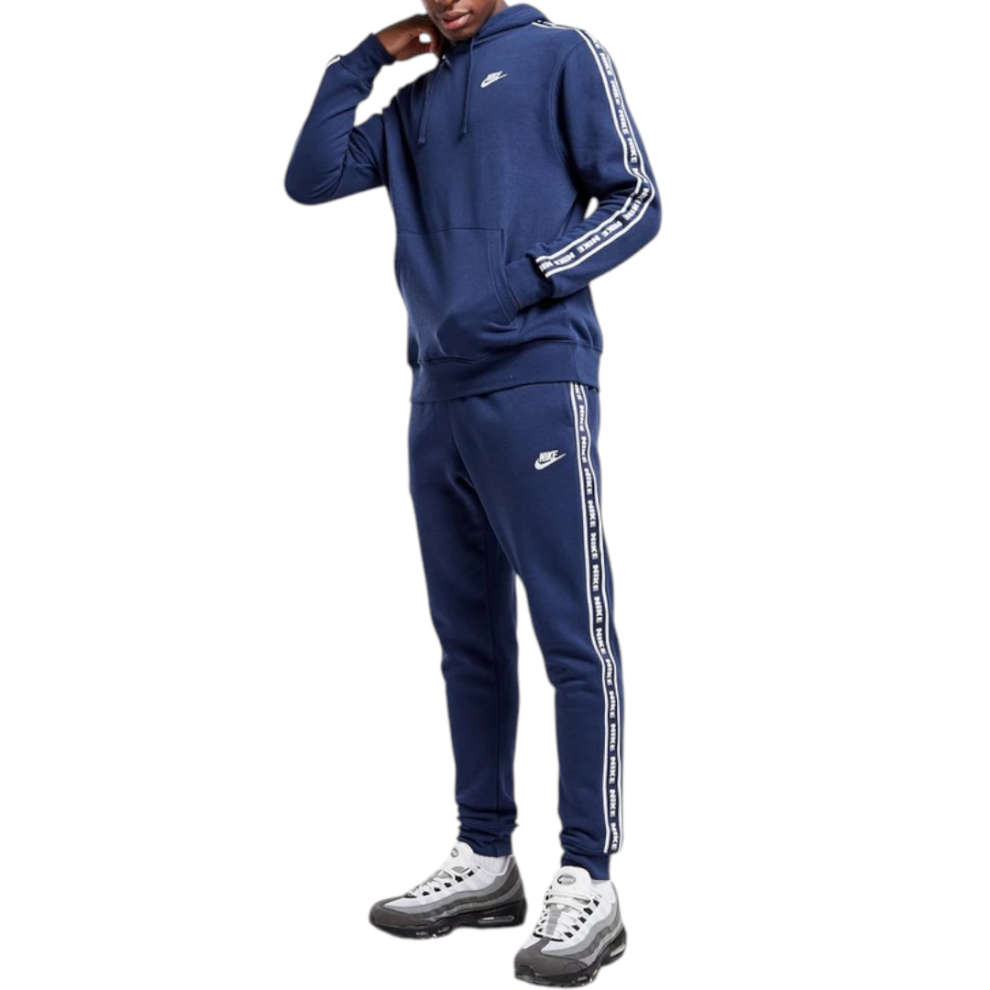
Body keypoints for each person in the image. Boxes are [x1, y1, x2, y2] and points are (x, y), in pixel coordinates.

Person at [284, 1, 660, 983]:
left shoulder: (560, 54)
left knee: (573, 634)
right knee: (470, 644)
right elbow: (311, 177)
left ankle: (590, 876)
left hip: (536, 380)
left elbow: (637, 200)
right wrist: (365, 59)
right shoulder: (414, 105)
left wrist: (526, 281)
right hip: (435, 396)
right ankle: (486, 856)